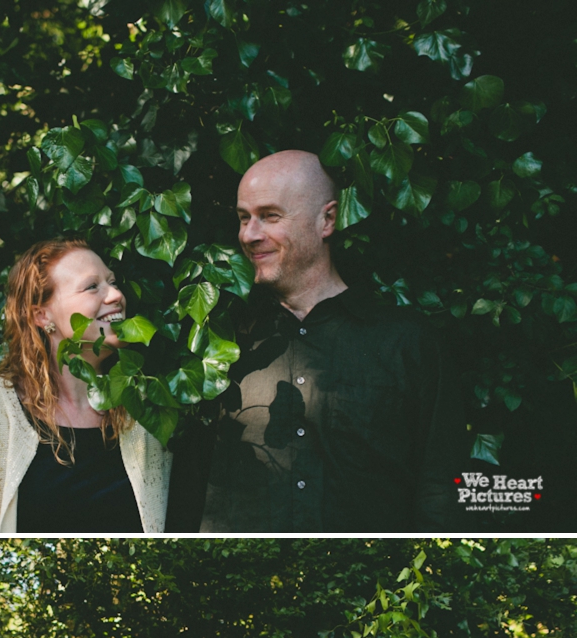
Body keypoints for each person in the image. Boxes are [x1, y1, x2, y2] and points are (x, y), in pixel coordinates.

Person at [196, 149, 465, 533]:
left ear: (328, 219)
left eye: (270, 216)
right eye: (243, 218)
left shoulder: (407, 342)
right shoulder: (222, 341)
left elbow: (441, 490)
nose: (249, 235)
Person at [0, 239, 172, 532]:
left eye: (112, 282)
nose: (116, 294)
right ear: (42, 315)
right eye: (92, 287)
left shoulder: (141, 412)